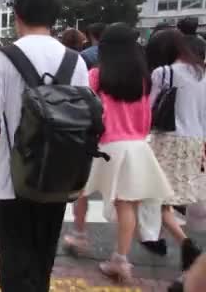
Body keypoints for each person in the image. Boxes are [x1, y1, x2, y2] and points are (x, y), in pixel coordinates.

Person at [0, 0, 89, 292]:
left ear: (17, 15)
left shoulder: (1, 59)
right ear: (54, 18)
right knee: (42, 260)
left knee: (13, 262)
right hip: (58, 180)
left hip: (15, 183)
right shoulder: (74, 61)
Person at [64, 24, 174, 281]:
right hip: (135, 145)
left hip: (102, 144)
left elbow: (86, 110)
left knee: (82, 191)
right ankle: (121, 261)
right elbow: (147, 117)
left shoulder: (96, 76)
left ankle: (79, 237)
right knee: (126, 204)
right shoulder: (143, 79)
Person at [145, 29, 205, 272]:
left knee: (156, 195)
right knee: (171, 193)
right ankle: (155, 238)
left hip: (166, 139)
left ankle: (185, 243)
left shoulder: (163, 72)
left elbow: (150, 109)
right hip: (194, 141)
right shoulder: (203, 74)